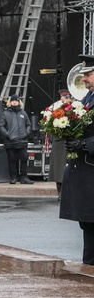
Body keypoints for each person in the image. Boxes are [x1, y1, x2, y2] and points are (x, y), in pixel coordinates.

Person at [60, 54, 94, 265]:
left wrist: (84, 145)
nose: (85, 80)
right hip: (86, 172)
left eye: (88, 74)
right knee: (88, 224)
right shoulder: (88, 98)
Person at [0, 94, 34, 184]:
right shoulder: (5, 113)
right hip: (10, 141)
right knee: (12, 160)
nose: (14, 102)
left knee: (24, 158)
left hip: (22, 140)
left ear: (19, 102)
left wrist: (27, 133)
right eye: (13, 101)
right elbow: (1, 126)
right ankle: (13, 177)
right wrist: (8, 135)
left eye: (16, 101)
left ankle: (24, 177)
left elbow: (28, 124)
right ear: (10, 102)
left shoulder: (23, 113)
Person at [48, 89, 72, 200]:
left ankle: (69, 191)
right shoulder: (54, 107)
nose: (65, 100)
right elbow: (48, 122)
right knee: (58, 169)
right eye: (63, 98)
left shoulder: (75, 107)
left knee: (70, 168)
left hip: (71, 141)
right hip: (59, 141)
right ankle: (60, 192)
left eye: (66, 98)